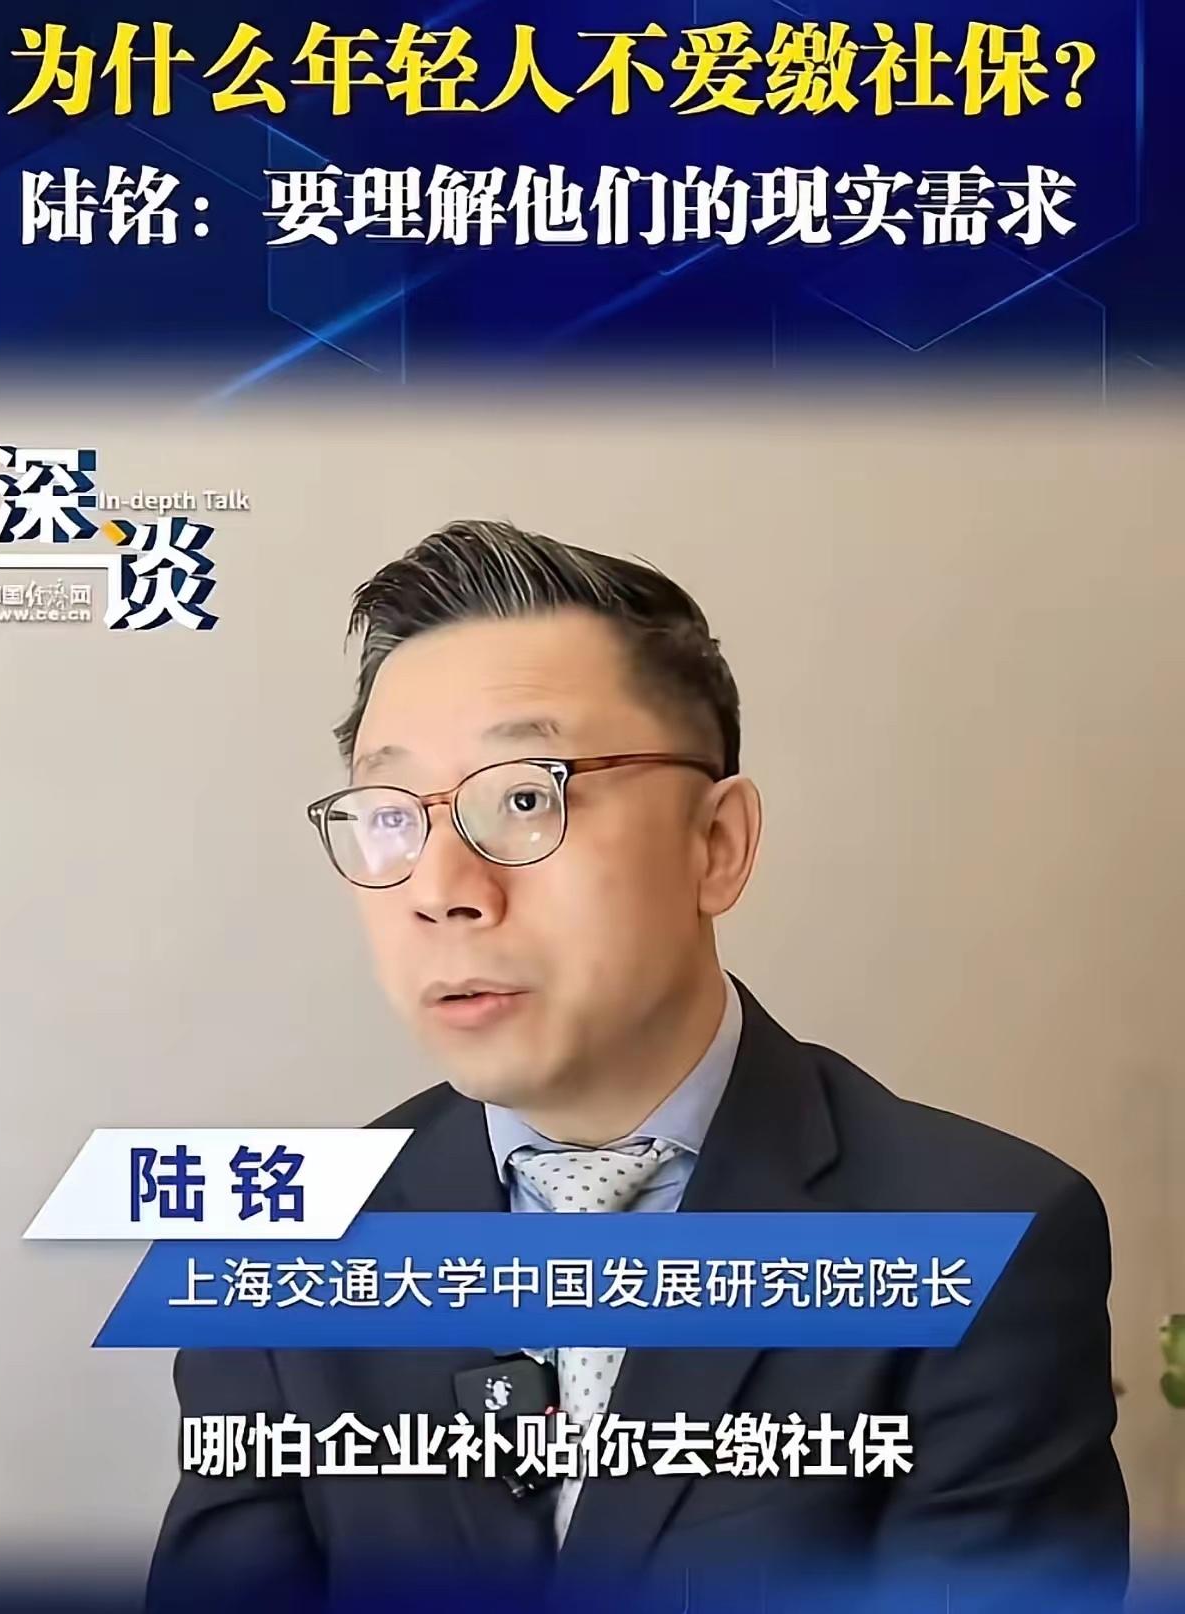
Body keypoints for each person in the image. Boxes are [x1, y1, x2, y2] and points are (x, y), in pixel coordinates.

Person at [148, 520, 1128, 1613]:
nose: (442, 890)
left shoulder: (984, 1240)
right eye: (389, 815)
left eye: (525, 796)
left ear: (716, 844)